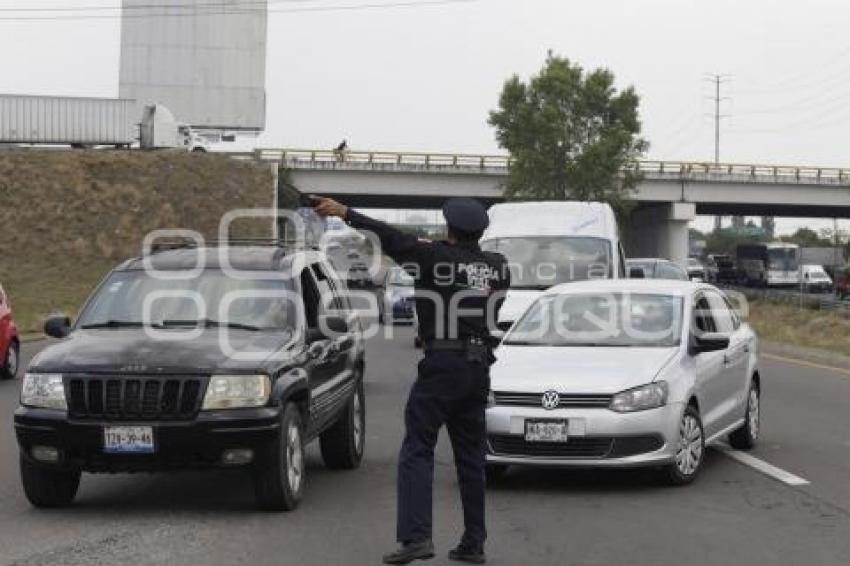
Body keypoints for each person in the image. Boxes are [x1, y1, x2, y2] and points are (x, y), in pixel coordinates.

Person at [312, 196, 509, 565]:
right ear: (481, 231)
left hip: (443, 365)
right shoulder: (498, 267)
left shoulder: (435, 257)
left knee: (418, 448)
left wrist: (346, 213)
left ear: (449, 229)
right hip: (478, 367)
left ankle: (416, 538)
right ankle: (474, 542)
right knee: (470, 458)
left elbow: (390, 237)